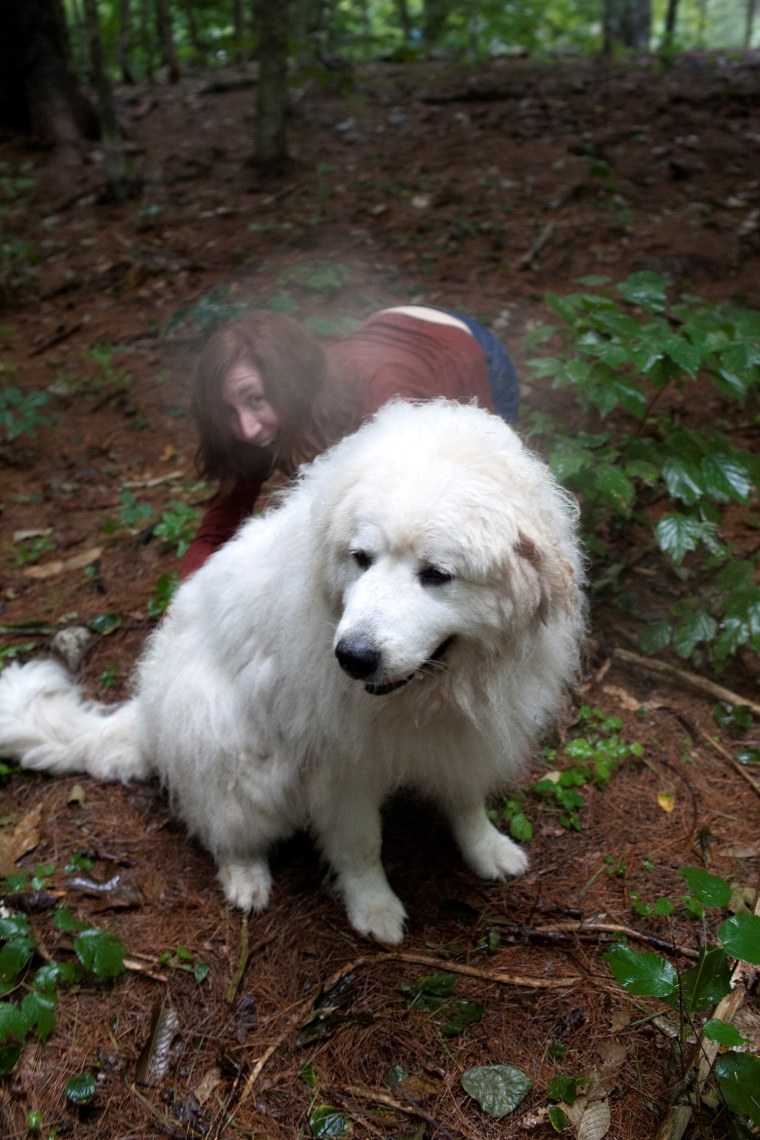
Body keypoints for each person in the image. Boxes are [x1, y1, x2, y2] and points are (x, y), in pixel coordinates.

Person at [179, 305, 520, 579]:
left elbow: (491, 478)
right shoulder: (279, 408)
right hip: (384, 337)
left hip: (460, 350)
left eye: (254, 399)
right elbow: (218, 527)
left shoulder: (386, 400)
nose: (247, 429)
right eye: (228, 410)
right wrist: (188, 601)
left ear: (288, 382)